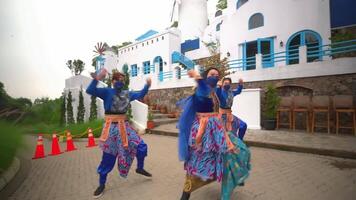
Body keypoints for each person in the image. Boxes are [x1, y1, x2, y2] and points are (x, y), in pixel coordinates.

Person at [177, 67, 250, 200]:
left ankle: (235, 176)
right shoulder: (200, 89)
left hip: (216, 128)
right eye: (212, 74)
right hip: (202, 130)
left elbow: (224, 98)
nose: (215, 76)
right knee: (197, 161)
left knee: (237, 150)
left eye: (217, 75)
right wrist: (197, 77)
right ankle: (185, 195)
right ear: (205, 77)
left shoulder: (215, 91)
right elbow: (203, 90)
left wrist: (227, 88)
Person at [86, 69, 152, 198]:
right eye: (118, 79)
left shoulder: (127, 94)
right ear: (113, 81)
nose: (120, 82)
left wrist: (147, 86)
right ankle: (101, 184)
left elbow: (140, 94)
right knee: (108, 158)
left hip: (125, 127)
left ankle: (140, 167)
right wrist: (97, 79)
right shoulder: (106, 92)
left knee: (141, 146)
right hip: (110, 129)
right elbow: (90, 90)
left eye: (122, 80)